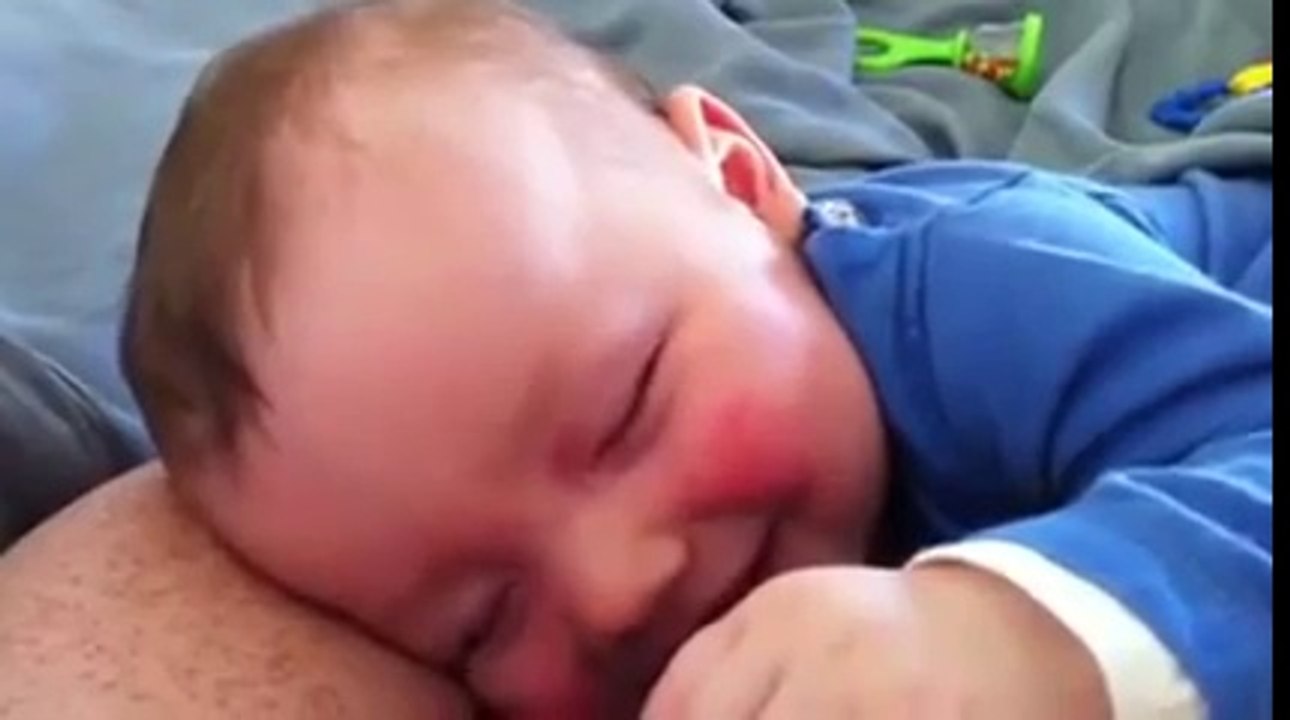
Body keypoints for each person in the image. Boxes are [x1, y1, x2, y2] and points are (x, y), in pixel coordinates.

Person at [118, 0, 1273, 717]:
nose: (618, 589)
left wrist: (1028, 628)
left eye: (628, 413)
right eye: (484, 622)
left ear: (742, 182)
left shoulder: (977, 284)